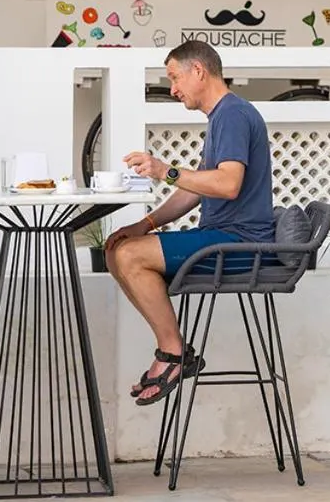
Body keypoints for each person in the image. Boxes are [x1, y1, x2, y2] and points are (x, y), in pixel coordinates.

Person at [105, 40, 274, 406]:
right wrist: (144, 224)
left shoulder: (232, 114)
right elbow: (196, 189)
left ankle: (173, 352)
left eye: (174, 77)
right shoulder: (222, 117)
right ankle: (173, 348)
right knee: (119, 247)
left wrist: (164, 170)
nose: (173, 89)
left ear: (198, 70)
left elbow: (227, 184)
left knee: (130, 257)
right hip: (220, 237)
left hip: (238, 243)